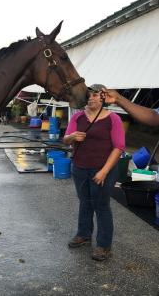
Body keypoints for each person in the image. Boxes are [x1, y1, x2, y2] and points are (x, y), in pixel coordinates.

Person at [63, 84, 125, 261]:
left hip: (103, 169)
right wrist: (72, 136)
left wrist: (104, 171)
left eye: (96, 95)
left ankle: (104, 245)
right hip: (80, 167)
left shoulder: (113, 119)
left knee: (101, 205)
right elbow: (66, 140)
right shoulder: (78, 117)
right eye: (88, 95)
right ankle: (83, 234)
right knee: (85, 202)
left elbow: (119, 147)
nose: (91, 98)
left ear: (103, 98)